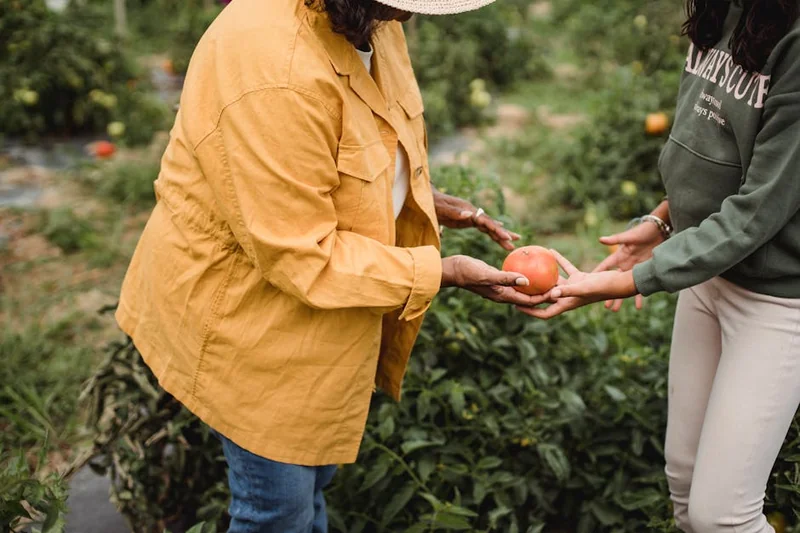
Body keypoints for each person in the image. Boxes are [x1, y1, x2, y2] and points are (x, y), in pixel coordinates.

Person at [115, 0, 545, 530]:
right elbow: (299, 251)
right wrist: (444, 271)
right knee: (277, 511)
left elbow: (356, 144)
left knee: (311, 485)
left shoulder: (373, 22)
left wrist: (420, 195)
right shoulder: (274, 66)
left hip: (325, 312)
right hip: (250, 320)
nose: (413, 12)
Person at [522, 1, 800, 531]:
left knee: (722, 517)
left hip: (777, 300)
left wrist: (633, 279)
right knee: (684, 483)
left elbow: (760, 207)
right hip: (707, 272)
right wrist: (665, 220)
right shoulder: (720, 11)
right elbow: (716, 149)